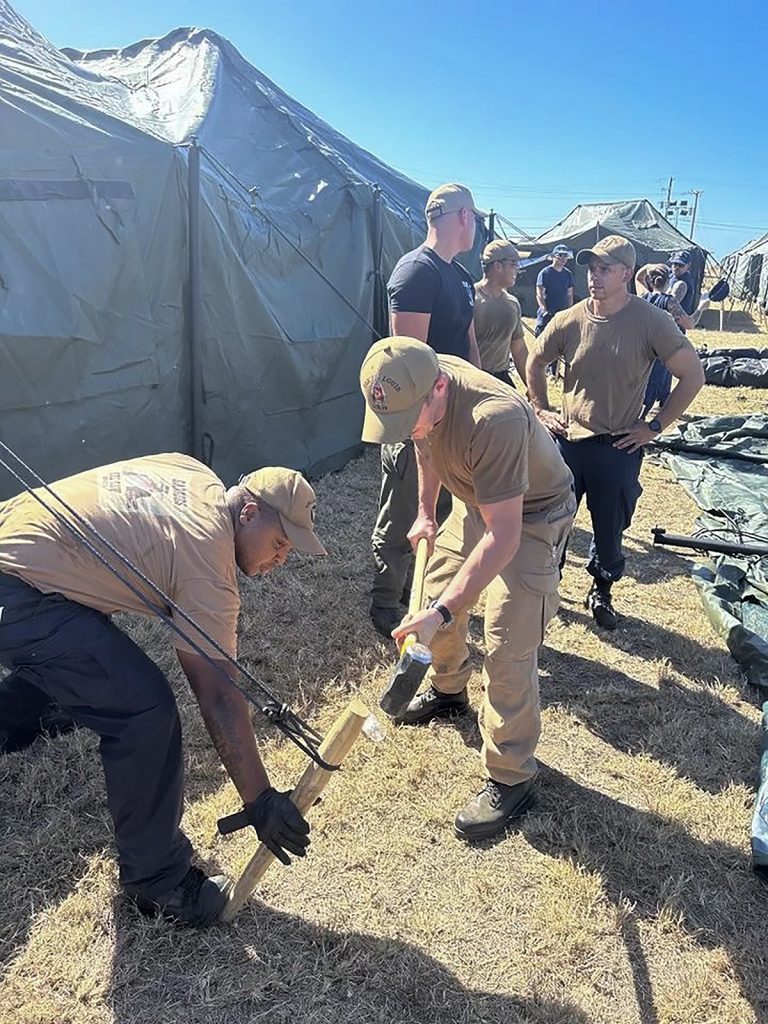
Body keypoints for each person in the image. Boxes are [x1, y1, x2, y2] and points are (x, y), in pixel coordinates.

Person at [0, 454, 326, 926]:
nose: (281, 558)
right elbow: (216, 694)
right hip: (18, 591)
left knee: (96, 646)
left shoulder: (192, 471)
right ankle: (155, 880)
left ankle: (18, 715)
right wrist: (259, 800)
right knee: (144, 711)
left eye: (290, 550)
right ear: (249, 512)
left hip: (16, 546)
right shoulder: (208, 556)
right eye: (279, 542)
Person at [359, 337, 576, 840]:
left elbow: (505, 536)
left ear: (439, 389)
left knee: (506, 642)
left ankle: (511, 774)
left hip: (532, 516)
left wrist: (441, 612)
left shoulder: (492, 418)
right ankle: (448, 688)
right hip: (478, 502)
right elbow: (423, 444)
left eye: (410, 417)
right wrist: (425, 513)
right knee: (437, 587)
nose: (405, 428)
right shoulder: (413, 386)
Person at [526, 235, 705, 631]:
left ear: (627, 273)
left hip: (617, 448)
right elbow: (535, 362)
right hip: (567, 447)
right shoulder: (569, 319)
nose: (595, 277)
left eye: (605, 269)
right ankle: (544, 591)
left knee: (610, 532)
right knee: (549, 527)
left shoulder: (650, 321)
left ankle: (601, 588)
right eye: (591, 269)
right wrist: (541, 409)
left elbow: (693, 375)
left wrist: (654, 426)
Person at [369, 183, 482, 638]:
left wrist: (478, 393)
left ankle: (426, 597)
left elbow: (469, 345)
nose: (474, 224)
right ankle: (386, 603)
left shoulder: (459, 276)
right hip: (419, 417)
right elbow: (407, 364)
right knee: (405, 512)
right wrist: (420, 430)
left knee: (444, 512)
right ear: (463, 218)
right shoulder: (417, 272)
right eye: (473, 216)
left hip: (453, 416)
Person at [635, 263, 711, 414]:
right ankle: (641, 422)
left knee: (642, 387)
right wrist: (701, 308)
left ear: (650, 281)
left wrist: (650, 266)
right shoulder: (670, 302)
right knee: (652, 389)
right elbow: (689, 323)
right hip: (661, 351)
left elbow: (638, 276)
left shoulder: (643, 297)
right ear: (668, 281)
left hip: (643, 350)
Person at [473, 240, 527, 388]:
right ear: (497, 266)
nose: (518, 269)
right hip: (473, 379)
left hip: (501, 379)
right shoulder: (470, 299)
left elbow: (519, 349)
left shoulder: (512, 303)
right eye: (513, 264)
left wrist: (532, 387)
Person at [668, 250, 697, 315]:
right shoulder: (671, 274)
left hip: (678, 321)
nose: (677, 267)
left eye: (681, 265)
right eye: (675, 264)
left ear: (688, 266)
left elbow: (671, 305)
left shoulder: (685, 281)